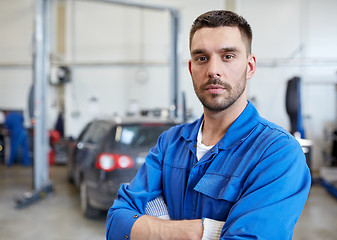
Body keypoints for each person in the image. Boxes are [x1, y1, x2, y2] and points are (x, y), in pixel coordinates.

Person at [106, 10, 311, 240]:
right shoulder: (170, 143)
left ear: (250, 66)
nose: (213, 70)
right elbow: (116, 223)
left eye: (228, 56)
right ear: (191, 68)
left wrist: (152, 225)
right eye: (202, 58)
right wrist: (200, 231)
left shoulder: (278, 152)